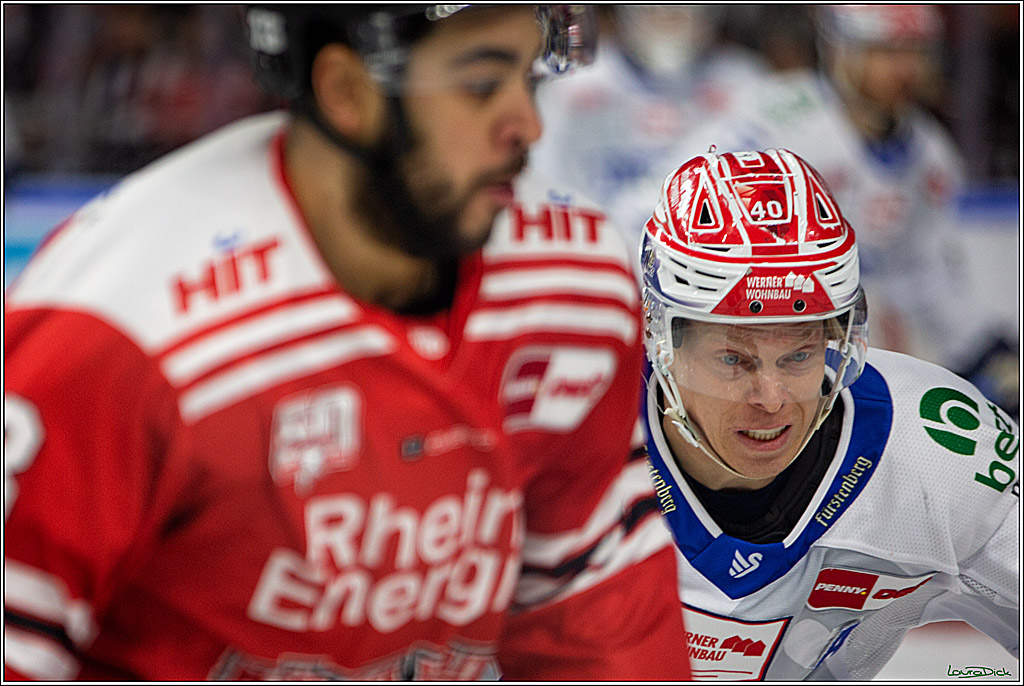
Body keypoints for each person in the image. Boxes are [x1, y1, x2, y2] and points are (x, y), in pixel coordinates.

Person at [3, 6, 692, 680]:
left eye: (532, 79)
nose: (528, 127)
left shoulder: (574, 284)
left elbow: (595, 625)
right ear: (347, 91)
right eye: (481, 84)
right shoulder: (115, 326)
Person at [638, 147, 1019, 680]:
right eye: (733, 358)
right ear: (663, 342)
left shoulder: (937, 447)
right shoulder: (562, 436)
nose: (771, 398)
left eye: (798, 354)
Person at [668, 5, 976, 371]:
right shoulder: (777, 119)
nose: (905, 69)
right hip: (765, 333)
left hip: (866, 352)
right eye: (886, 51)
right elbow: (681, 193)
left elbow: (931, 274)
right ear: (841, 50)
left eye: (916, 52)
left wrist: (978, 349)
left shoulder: (934, 157)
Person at [529, 5, 768, 257]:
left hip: (716, 263)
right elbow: (546, 183)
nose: (667, 18)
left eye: (678, 13)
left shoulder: (747, 83)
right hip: (599, 259)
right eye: (656, 12)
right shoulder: (573, 85)